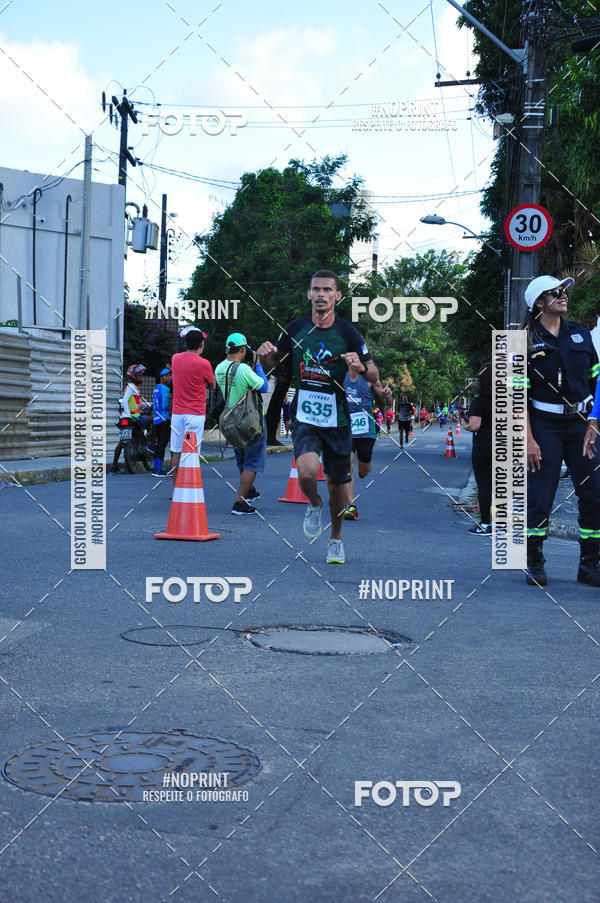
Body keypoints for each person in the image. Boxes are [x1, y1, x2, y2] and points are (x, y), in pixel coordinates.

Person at [257, 270, 392, 564]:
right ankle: (313, 503)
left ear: (337, 296)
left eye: (327, 290)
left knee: (336, 485)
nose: (320, 294)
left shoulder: (347, 333)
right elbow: (274, 361)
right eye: (315, 289)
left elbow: (374, 374)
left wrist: (360, 365)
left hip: (338, 419)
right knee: (306, 472)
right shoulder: (295, 328)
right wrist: (263, 353)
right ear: (308, 295)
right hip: (305, 414)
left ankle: (336, 538)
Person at [523, 274, 600, 586]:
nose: (564, 295)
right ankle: (534, 559)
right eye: (555, 293)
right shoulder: (524, 341)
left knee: (594, 491)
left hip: (583, 426)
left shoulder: (581, 334)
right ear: (540, 303)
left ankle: (590, 563)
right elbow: (517, 397)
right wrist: (527, 439)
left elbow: (598, 380)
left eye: (565, 290)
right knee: (541, 495)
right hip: (544, 426)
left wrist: (594, 421)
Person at [215, 333, 268, 515]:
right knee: (252, 461)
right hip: (250, 420)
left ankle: (249, 489)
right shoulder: (244, 369)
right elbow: (264, 387)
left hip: (230, 420)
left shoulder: (219, 368)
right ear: (243, 350)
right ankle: (240, 502)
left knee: (242, 457)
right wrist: (258, 365)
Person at [170, 329, 216, 489]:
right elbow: (212, 385)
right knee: (191, 452)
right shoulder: (204, 363)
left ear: (186, 343)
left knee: (176, 451)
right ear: (201, 344)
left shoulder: (175, 359)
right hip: (195, 414)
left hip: (177, 413)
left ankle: (175, 489)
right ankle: (188, 488)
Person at [342, 369, 388, 521]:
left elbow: (385, 399)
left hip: (365, 429)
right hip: (346, 426)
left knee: (364, 469)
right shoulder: (341, 375)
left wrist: (388, 394)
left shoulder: (370, 378)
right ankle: (352, 506)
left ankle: (365, 467)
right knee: (347, 463)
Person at [464, 362, 493, 535]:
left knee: (484, 485)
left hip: (484, 444)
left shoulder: (480, 401)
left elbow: (475, 425)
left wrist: (464, 424)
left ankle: (486, 524)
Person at [110, 363, 148, 474]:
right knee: (150, 420)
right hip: (133, 417)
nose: (141, 377)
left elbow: (135, 404)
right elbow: (125, 400)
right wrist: (127, 413)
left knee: (121, 442)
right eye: (139, 375)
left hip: (128, 417)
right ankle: (145, 445)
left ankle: (113, 466)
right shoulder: (131, 387)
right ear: (133, 376)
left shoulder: (133, 387)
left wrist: (148, 404)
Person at [152, 368, 172, 476]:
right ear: (161, 378)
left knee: (158, 443)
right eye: (167, 376)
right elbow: (165, 405)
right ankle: (159, 470)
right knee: (162, 444)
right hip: (164, 419)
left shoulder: (156, 388)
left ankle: (155, 467)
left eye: (170, 375)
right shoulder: (165, 389)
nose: (169, 378)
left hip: (156, 419)